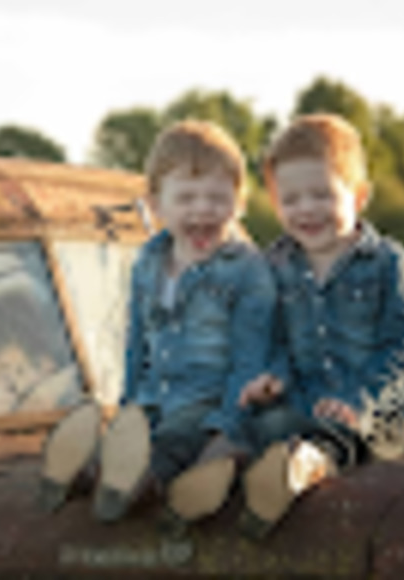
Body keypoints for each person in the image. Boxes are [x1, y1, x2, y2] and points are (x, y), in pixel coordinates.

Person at [38, 120, 276, 525]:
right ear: (155, 205)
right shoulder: (148, 261)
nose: (202, 209)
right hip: (152, 400)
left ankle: (134, 486)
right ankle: (85, 472)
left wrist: (228, 430)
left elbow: (251, 359)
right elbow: (137, 345)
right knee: (127, 442)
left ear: (239, 204)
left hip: (206, 404)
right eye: (186, 198)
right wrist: (127, 410)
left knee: (171, 444)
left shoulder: (247, 271)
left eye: (218, 198)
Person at [234, 113, 404, 539]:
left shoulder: (388, 262)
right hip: (303, 405)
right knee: (258, 421)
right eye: (291, 199)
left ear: (359, 196)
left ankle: (303, 469)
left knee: (343, 434)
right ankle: (221, 475)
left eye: (322, 194)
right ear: (275, 203)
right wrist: (272, 378)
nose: (306, 209)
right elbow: (274, 341)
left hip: (375, 414)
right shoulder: (274, 266)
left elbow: (403, 345)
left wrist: (358, 401)